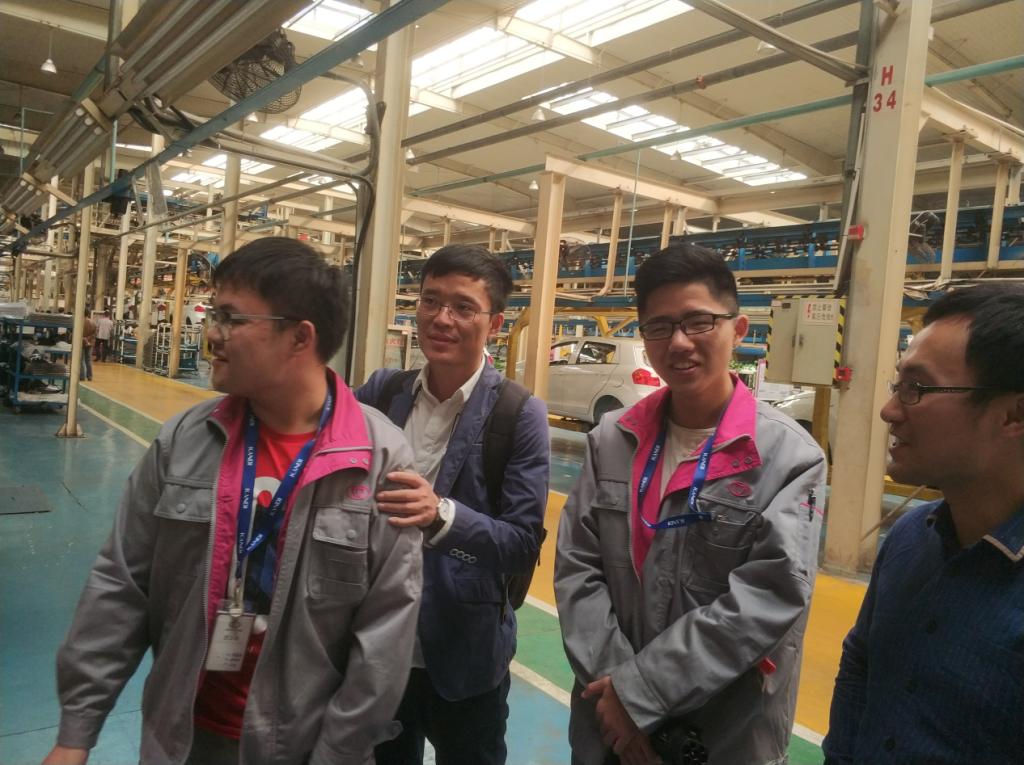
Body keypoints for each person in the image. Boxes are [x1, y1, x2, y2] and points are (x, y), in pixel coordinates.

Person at [43, 237, 423, 765]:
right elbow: (122, 584)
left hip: (306, 746)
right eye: (213, 315)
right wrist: (76, 732)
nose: (212, 334)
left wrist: (338, 754)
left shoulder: (377, 458)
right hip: (185, 737)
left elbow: (385, 635)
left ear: (300, 336)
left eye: (230, 318)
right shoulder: (184, 442)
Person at [555, 243, 827, 765]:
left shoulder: (789, 457)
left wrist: (640, 693)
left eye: (698, 322)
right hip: (606, 726)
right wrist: (618, 698)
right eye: (659, 327)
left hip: (721, 735)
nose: (678, 342)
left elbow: (767, 597)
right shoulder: (611, 439)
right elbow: (577, 568)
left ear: (738, 330)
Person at [356, 244, 550, 765]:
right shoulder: (382, 393)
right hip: (378, 649)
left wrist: (441, 515)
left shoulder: (518, 414)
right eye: (430, 301)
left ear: (496, 323)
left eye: (463, 307)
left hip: (465, 657)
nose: (442, 318)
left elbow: (521, 544)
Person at [823, 283, 1024, 765]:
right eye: (898, 386)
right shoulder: (910, 538)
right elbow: (860, 667)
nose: (889, 410)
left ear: (1013, 414)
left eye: (917, 388)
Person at [80, 314, 96, 381]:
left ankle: (82, 376)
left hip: (81, 342)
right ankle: (89, 376)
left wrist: (84, 338)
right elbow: (94, 334)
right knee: (88, 360)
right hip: (90, 343)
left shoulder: (80, 322)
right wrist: (88, 339)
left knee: (81, 360)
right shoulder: (93, 322)